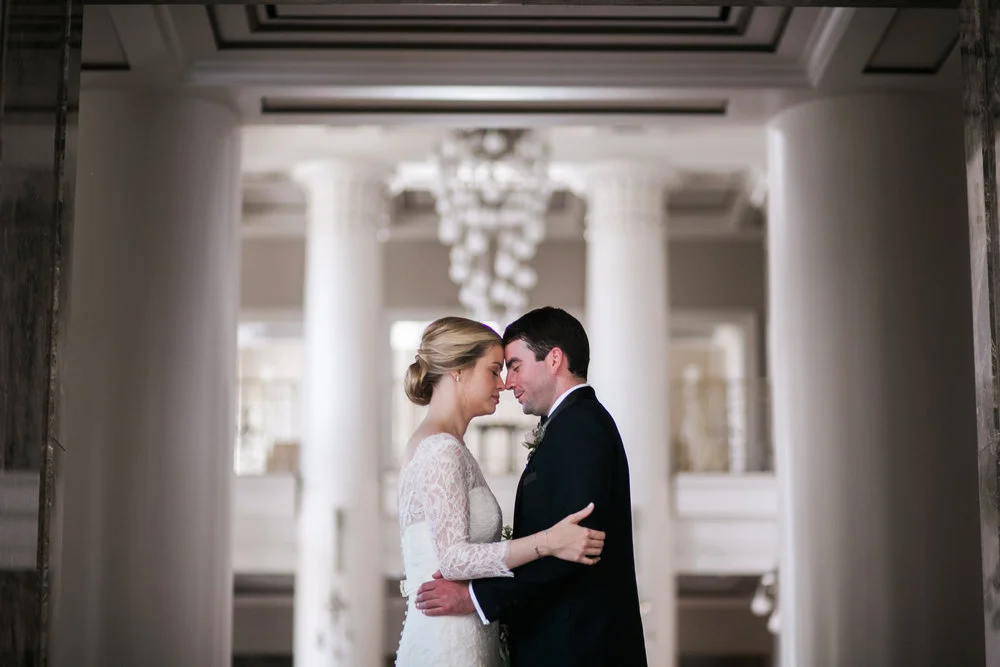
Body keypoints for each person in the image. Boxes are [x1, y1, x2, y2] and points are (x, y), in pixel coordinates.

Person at [414, 307, 647, 667]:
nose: (508, 382)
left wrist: (476, 597)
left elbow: (575, 547)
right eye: (500, 370)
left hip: (578, 650)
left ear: (554, 359)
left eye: (515, 365)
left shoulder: (579, 427)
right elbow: (557, 544)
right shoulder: (568, 425)